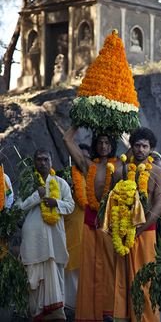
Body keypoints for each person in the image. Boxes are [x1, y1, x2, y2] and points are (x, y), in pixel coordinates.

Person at [64, 126, 122, 322]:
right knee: (89, 267)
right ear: (95, 145)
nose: (104, 146)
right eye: (100, 142)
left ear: (112, 145)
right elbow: (67, 141)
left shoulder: (120, 166)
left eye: (107, 142)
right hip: (90, 221)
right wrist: (78, 123)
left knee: (110, 268)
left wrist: (121, 126)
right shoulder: (89, 166)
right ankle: (90, 314)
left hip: (110, 223)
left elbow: (137, 149)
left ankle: (110, 312)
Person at [114, 127, 161, 322]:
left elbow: (159, 206)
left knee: (145, 281)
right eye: (137, 145)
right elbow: (113, 202)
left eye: (145, 146)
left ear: (151, 149)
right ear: (131, 147)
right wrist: (124, 229)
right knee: (123, 280)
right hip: (123, 234)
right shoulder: (122, 172)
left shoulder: (158, 173)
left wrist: (139, 229)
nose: (140, 150)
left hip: (146, 234)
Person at [19, 149, 75, 321]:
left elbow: (70, 206)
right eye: (39, 159)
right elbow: (18, 207)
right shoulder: (28, 183)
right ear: (34, 162)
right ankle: (36, 313)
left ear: (51, 162)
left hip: (53, 238)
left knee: (54, 272)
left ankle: (55, 315)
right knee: (33, 277)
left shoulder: (60, 183)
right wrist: (37, 196)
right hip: (33, 239)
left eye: (46, 159)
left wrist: (56, 202)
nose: (42, 163)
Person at [64, 143, 91, 312]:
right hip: (71, 230)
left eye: (84, 157)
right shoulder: (66, 179)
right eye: (78, 156)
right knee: (70, 271)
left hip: (90, 230)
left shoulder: (97, 176)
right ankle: (70, 307)